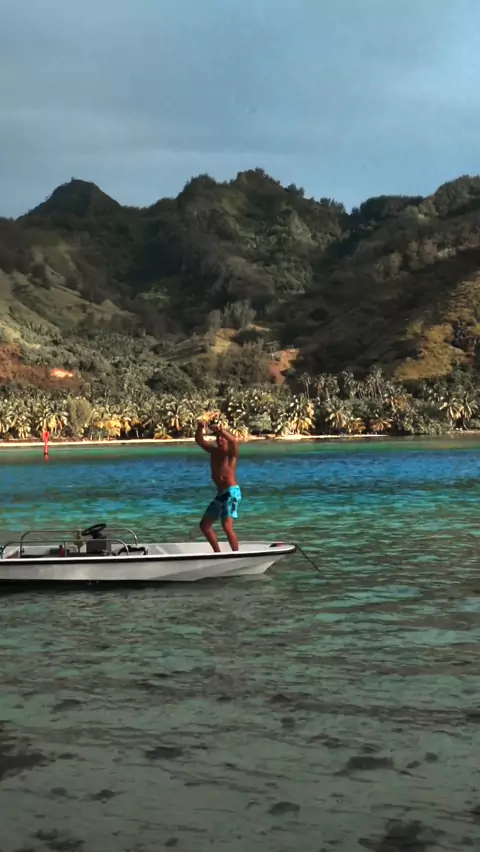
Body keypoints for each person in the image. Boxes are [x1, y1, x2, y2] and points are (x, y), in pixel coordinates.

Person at [195, 420, 242, 552]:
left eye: (222, 437)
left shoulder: (231, 454)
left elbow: (234, 441)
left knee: (226, 525)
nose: (219, 439)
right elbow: (200, 441)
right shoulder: (214, 451)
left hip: (232, 492)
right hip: (220, 494)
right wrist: (200, 428)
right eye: (217, 437)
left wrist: (220, 430)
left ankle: (236, 554)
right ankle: (217, 553)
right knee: (204, 525)